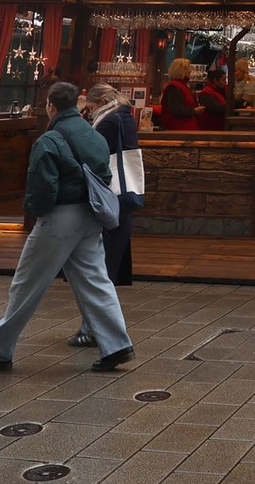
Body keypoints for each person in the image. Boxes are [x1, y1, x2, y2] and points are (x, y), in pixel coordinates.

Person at [0, 80, 135, 373]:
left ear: (50, 105)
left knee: (27, 283)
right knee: (96, 280)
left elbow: (42, 187)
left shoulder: (49, 139)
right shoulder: (94, 134)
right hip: (91, 215)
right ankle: (116, 344)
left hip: (60, 217)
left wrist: (36, 213)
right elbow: (104, 174)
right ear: (78, 104)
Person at [69, 83, 145, 347]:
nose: (88, 112)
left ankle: (94, 329)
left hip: (108, 200)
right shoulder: (125, 116)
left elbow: (91, 152)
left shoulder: (110, 121)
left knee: (99, 269)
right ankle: (95, 328)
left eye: (89, 107)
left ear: (100, 102)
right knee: (104, 268)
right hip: (120, 203)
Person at [160, 57, 204, 130]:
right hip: (178, 128)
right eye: (188, 68)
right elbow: (177, 110)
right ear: (181, 70)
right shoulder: (173, 87)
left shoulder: (182, 85)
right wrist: (194, 111)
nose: (190, 71)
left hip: (186, 127)